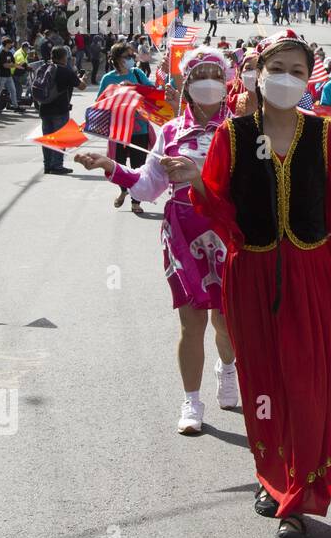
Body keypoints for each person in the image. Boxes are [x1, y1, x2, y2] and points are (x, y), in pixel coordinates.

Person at [174, 31, 331, 538]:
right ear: (257, 71)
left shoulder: (323, 135)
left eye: (298, 72)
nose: (287, 79)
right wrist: (194, 181)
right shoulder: (232, 136)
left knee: (306, 383)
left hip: (308, 273)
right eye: (278, 68)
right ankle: (270, 475)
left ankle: (297, 500)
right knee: (264, 386)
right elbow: (218, 208)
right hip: (250, 274)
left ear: (308, 79)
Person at [75, 48, 239, 433]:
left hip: (228, 233)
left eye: (216, 74)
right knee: (192, 322)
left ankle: (228, 368)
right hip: (183, 232)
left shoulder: (241, 130)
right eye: (200, 75)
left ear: (227, 80)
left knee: (225, 321)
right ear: (186, 82)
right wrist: (111, 167)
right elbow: (149, 187)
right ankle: (192, 402)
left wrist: (200, 176)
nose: (208, 82)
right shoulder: (169, 133)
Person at [98, 41, 157, 213]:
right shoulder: (108, 79)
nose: (132, 59)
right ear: (117, 59)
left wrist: (135, 88)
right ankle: (124, 190)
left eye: (132, 56)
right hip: (119, 131)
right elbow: (100, 101)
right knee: (119, 165)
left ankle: (135, 201)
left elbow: (151, 91)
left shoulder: (137, 73)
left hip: (140, 128)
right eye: (128, 56)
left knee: (139, 165)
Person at [36, 45, 87, 175]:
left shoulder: (44, 68)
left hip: (44, 108)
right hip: (60, 110)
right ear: (64, 57)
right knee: (59, 138)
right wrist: (83, 78)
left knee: (47, 138)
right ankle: (57, 166)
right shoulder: (66, 71)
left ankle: (47, 165)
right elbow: (82, 86)